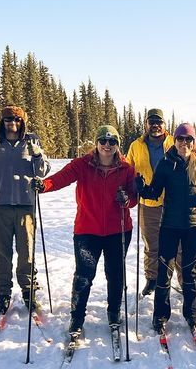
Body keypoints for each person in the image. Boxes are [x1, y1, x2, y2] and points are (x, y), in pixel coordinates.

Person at [33, 125, 138, 343]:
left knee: (115, 274)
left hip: (118, 230)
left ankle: (114, 314)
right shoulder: (83, 164)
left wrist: (127, 200)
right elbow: (61, 178)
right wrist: (44, 185)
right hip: (87, 231)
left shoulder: (127, 168)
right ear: (97, 143)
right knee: (83, 276)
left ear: (117, 145)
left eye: (112, 142)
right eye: (103, 141)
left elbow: (134, 197)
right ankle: (77, 318)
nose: (107, 146)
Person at [137, 123, 196, 332]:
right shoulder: (165, 163)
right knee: (164, 271)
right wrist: (142, 188)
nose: (184, 143)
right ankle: (160, 315)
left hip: (195, 226)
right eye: (180, 139)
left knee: (189, 272)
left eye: (188, 139)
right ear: (175, 140)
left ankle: (191, 313)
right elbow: (155, 192)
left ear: (193, 142)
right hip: (169, 225)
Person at [0, 106, 51, 317]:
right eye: (8, 119)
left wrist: (37, 156)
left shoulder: (32, 140)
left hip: (26, 205)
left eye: (17, 119)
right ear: (2, 120)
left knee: (26, 251)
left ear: (22, 121)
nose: (12, 122)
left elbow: (43, 171)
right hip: (0, 205)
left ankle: (29, 290)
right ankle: (3, 292)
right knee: (1, 252)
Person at [126, 108, 174, 297]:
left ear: (165, 124)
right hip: (148, 203)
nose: (155, 125)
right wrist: (131, 186)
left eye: (159, 122)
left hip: (172, 202)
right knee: (151, 245)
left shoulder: (174, 142)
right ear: (146, 124)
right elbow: (127, 169)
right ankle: (152, 280)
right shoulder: (136, 146)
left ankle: (181, 279)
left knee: (176, 246)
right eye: (151, 121)